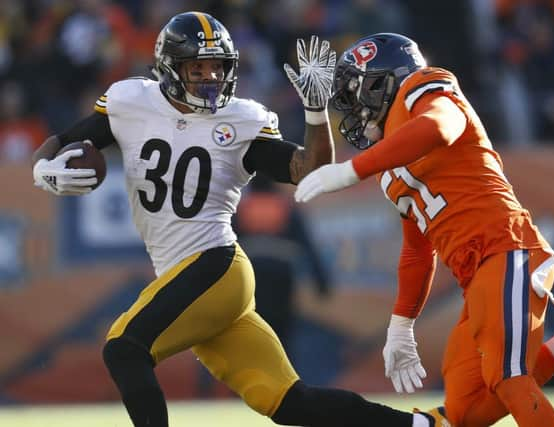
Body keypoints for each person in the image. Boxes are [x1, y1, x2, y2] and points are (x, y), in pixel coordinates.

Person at [31, 13, 449, 427]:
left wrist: (315, 111)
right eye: (198, 67)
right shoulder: (130, 101)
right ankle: (417, 426)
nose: (210, 77)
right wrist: (42, 169)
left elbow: (309, 169)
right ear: (170, 67)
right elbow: (63, 142)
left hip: (216, 267)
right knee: (290, 403)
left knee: (124, 348)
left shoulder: (241, 119)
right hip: (187, 278)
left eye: (218, 66)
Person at [295, 33, 554, 426]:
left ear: (382, 83)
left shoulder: (424, 87)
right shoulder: (391, 165)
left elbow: (439, 127)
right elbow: (417, 250)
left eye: (356, 95)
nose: (354, 112)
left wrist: (351, 170)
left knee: (510, 379)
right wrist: (401, 325)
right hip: (476, 274)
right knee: (464, 414)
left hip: (506, 247)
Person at [234, 174, 331, 353]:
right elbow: (307, 245)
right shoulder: (286, 208)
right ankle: (284, 375)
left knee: (253, 329)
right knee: (282, 334)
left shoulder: (242, 209)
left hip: (252, 280)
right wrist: (321, 281)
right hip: (281, 280)